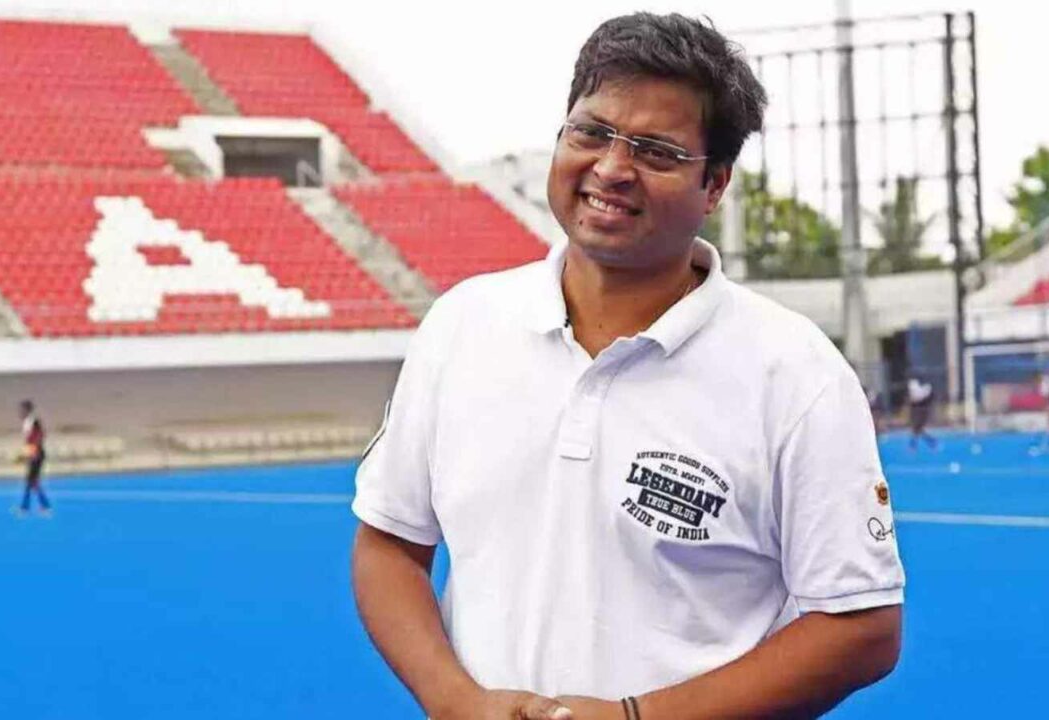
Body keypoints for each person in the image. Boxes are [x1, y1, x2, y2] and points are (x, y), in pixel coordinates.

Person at [351, 13, 903, 720]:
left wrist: (637, 717)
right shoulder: (462, 325)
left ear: (714, 184)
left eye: (656, 152)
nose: (612, 168)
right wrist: (455, 700)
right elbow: (390, 545)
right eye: (591, 132)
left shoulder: (796, 374)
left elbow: (861, 626)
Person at [15, 400, 51, 517]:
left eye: (22, 409)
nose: (20, 412)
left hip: (37, 454)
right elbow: (29, 441)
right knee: (32, 481)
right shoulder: (27, 423)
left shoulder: (34, 422)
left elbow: (39, 436)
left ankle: (28, 507)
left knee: (31, 481)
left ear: (27, 410)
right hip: (32, 454)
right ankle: (41, 506)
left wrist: (35, 452)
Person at [906, 376, 939, 451]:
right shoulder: (916, 393)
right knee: (918, 429)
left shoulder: (923, 392)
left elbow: (919, 400)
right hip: (917, 412)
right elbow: (913, 401)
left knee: (916, 429)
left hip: (921, 412)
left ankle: (913, 446)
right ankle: (932, 442)